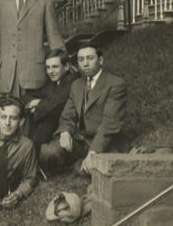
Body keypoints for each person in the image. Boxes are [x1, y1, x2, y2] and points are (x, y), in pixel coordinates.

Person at [40, 42, 127, 173]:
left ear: (101, 60)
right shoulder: (77, 85)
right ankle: (78, 165)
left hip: (104, 142)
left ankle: (81, 165)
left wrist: (94, 151)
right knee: (47, 153)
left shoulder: (115, 84)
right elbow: (67, 115)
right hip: (81, 140)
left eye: (90, 58)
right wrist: (65, 132)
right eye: (81, 60)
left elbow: (110, 123)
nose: (85, 64)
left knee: (98, 169)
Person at [23, 49, 79, 158]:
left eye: (55, 67)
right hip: (49, 126)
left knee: (46, 117)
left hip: (67, 128)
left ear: (66, 66)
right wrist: (37, 103)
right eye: (48, 67)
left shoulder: (73, 81)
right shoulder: (51, 83)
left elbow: (57, 105)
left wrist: (37, 103)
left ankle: (29, 155)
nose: (50, 71)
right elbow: (28, 96)